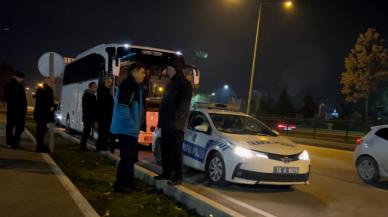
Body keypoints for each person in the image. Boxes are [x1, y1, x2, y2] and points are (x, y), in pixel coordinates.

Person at [155, 59, 193, 185]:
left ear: (176, 70)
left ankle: (178, 176)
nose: (168, 71)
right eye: (168, 69)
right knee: (165, 149)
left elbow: (184, 104)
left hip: (176, 125)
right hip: (166, 124)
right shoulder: (171, 84)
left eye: (170, 69)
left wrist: (176, 117)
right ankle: (166, 173)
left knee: (176, 151)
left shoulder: (184, 84)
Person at [111, 63, 146, 193]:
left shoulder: (136, 87)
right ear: (135, 73)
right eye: (142, 72)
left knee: (130, 158)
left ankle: (129, 184)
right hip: (126, 129)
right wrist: (133, 125)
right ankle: (120, 185)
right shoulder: (128, 86)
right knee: (126, 158)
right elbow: (123, 108)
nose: (144, 75)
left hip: (131, 130)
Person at [3, 71, 27, 149]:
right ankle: (11, 142)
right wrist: (15, 102)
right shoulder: (10, 85)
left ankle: (13, 142)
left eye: (22, 78)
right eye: (20, 78)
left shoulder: (20, 85)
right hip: (14, 110)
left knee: (18, 126)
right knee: (12, 126)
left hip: (18, 110)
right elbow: (6, 97)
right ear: (15, 77)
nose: (21, 79)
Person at [34, 79, 54, 153]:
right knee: (41, 131)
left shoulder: (46, 89)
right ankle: (39, 147)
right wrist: (50, 107)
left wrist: (51, 106)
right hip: (41, 114)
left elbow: (48, 101)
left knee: (42, 130)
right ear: (46, 82)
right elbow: (43, 102)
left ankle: (40, 146)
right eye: (51, 82)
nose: (53, 83)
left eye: (53, 82)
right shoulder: (43, 89)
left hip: (42, 114)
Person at [96, 75, 114, 151]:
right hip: (103, 115)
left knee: (104, 132)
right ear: (105, 81)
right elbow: (103, 103)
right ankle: (101, 147)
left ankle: (102, 146)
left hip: (106, 115)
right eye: (109, 82)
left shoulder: (106, 90)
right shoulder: (102, 90)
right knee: (103, 132)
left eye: (111, 82)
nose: (110, 83)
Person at [80, 82, 97, 151]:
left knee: (87, 131)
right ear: (91, 87)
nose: (96, 88)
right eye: (95, 87)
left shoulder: (93, 95)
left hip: (90, 116)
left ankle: (83, 145)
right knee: (86, 131)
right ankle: (83, 146)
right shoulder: (87, 95)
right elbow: (89, 106)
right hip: (87, 116)